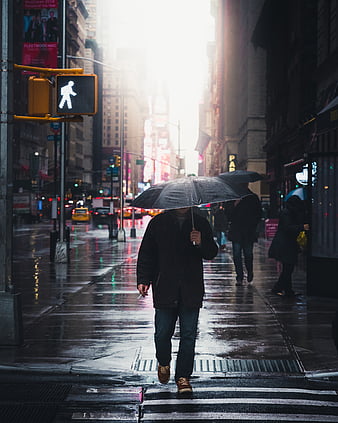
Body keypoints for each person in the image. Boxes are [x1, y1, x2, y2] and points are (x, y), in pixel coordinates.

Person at [137, 207, 218, 394]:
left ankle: (183, 377)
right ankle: (164, 362)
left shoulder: (200, 222)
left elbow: (211, 252)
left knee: (188, 335)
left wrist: (200, 242)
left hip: (191, 288)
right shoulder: (158, 223)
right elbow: (147, 252)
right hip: (165, 286)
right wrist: (143, 279)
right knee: (162, 333)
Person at [268, 195, 309, 297]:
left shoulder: (290, 212)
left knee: (288, 268)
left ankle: (287, 290)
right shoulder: (287, 213)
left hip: (287, 244)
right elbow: (287, 228)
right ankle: (278, 288)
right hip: (285, 245)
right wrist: (301, 227)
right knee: (288, 268)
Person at [227, 191, 262, 285]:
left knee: (248, 254)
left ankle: (249, 272)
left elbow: (259, 214)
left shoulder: (252, 197)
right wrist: (235, 204)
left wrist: (253, 225)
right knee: (237, 254)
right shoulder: (232, 197)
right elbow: (228, 215)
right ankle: (239, 276)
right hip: (236, 232)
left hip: (248, 232)